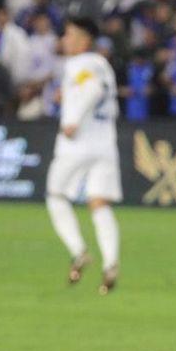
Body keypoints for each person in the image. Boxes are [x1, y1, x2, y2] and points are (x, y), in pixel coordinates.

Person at [45, 17, 122, 295]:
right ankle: (111, 263)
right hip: (105, 144)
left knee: (56, 196)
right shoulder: (103, 65)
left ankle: (78, 251)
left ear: (83, 40)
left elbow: (92, 89)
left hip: (77, 144)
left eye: (68, 35)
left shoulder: (80, 64)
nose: (64, 41)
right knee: (99, 204)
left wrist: (73, 118)